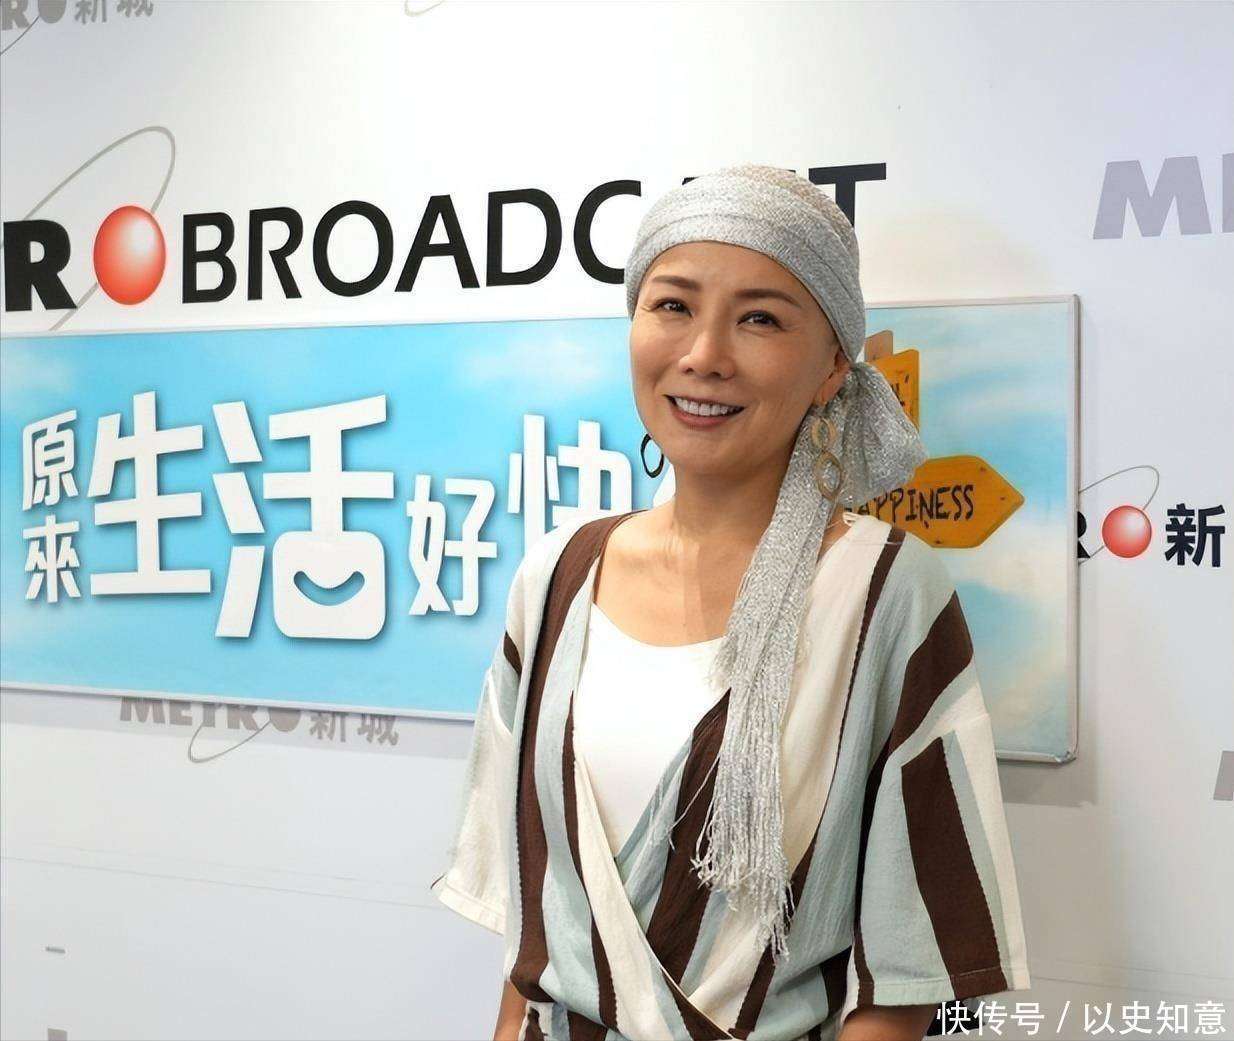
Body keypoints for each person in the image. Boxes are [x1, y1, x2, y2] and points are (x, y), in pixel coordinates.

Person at [430, 164, 1031, 1041]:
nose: (704, 353)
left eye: (760, 318)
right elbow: (540, 937)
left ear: (833, 366)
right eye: (673, 304)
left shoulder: (883, 593)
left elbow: (903, 979)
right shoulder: (559, 575)